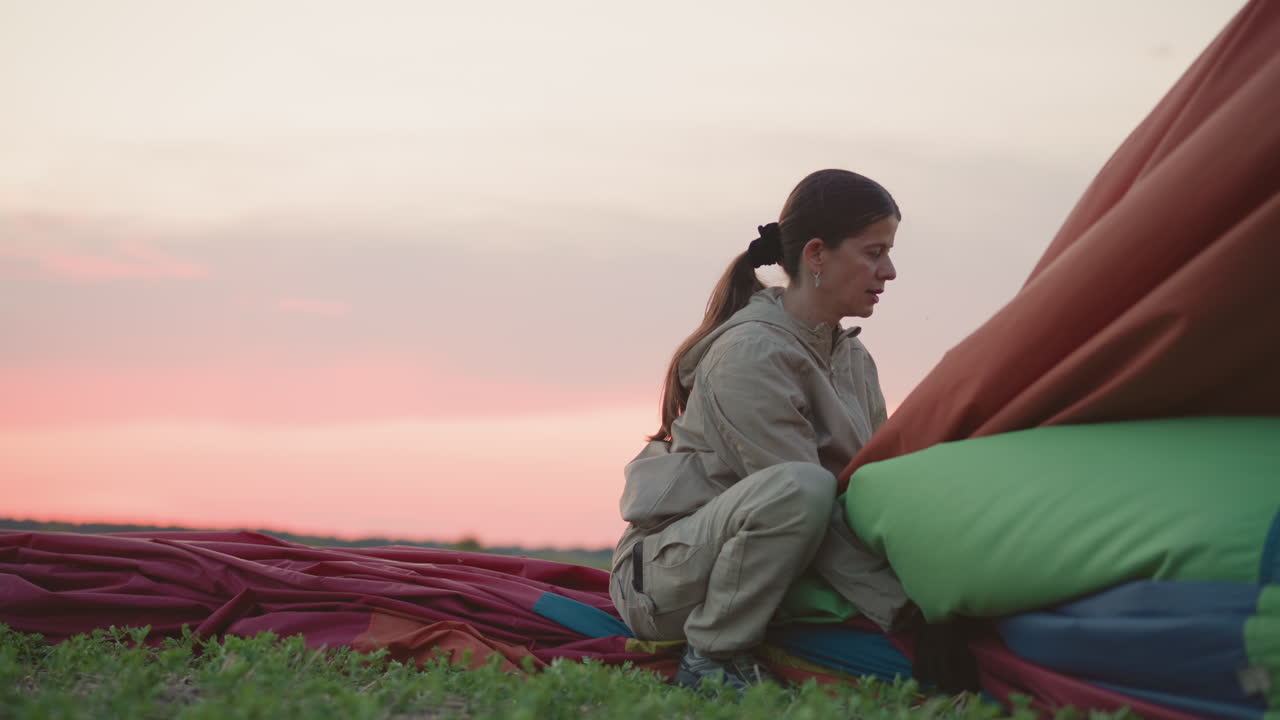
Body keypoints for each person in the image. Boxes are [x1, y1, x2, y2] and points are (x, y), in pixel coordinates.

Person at [610, 169, 913, 690]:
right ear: (816, 255)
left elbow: (874, 486)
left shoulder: (854, 358)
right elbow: (796, 500)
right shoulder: (749, 354)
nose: (889, 271)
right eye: (873, 252)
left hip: (769, 561)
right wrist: (905, 616)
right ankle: (711, 658)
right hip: (665, 581)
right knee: (803, 486)